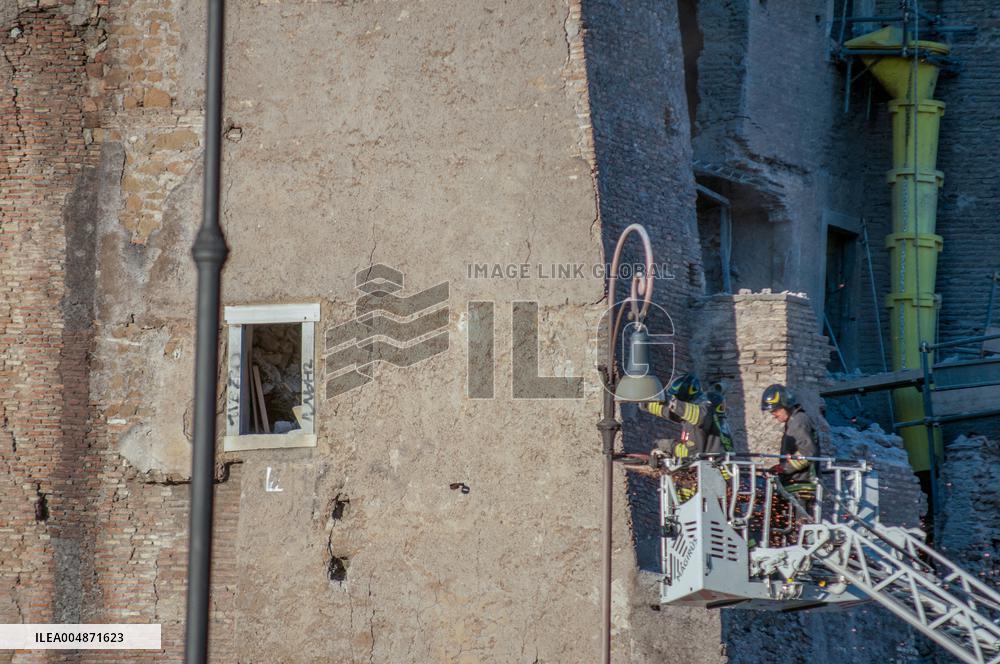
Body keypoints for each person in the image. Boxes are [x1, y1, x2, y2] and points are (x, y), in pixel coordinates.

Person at [640, 373, 733, 460]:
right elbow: (672, 413)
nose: (675, 400)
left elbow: (699, 415)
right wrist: (646, 404)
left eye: (677, 397)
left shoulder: (704, 407)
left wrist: (669, 448)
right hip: (709, 464)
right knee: (661, 445)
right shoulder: (696, 414)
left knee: (663, 445)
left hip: (711, 466)